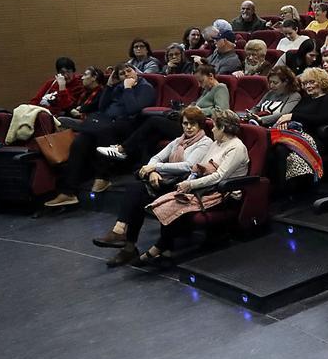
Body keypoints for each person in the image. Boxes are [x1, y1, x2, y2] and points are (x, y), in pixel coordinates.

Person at [90, 105, 213, 266]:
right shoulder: (178, 140)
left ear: (200, 125)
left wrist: (156, 168)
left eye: (192, 124)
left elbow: (188, 166)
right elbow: (156, 158)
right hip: (164, 181)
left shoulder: (205, 142)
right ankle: (121, 234)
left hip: (183, 186)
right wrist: (152, 172)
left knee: (139, 195)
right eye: (185, 123)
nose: (188, 127)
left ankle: (130, 243)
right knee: (136, 190)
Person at [134, 109, 250, 265]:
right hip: (204, 187)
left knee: (175, 203)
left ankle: (159, 247)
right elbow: (197, 167)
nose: (212, 129)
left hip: (223, 192)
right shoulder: (217, 143)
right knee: (171, 198)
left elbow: (219, 177)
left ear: (223, 128)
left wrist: (190, 184)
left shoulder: (236, 147)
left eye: (215, 126)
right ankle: (165, 248)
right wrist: (188, 182)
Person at [44, 65, 157, 207]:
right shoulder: (118, 87)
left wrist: (128, 88)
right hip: (107, 121)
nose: (126, 75)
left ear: (136, 72)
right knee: (80, 141)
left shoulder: (145, 87)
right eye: (122, 74)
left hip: (130, 124)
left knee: (103, 130)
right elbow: (102, 107)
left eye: (129, 71)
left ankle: (102, 177)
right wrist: (109, 86)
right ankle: (68, 192)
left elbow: (133, 109)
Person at [95, 62, 230, 164]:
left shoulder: (220, 88)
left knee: (154, 121)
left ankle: (122, 149)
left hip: (198, 129)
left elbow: (222, 110)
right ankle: (143, 167)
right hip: (188, 122)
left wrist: (197, 110)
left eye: (201, 81)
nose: (199, 85)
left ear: (211, 76)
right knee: (153, 133)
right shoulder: (206, 91)